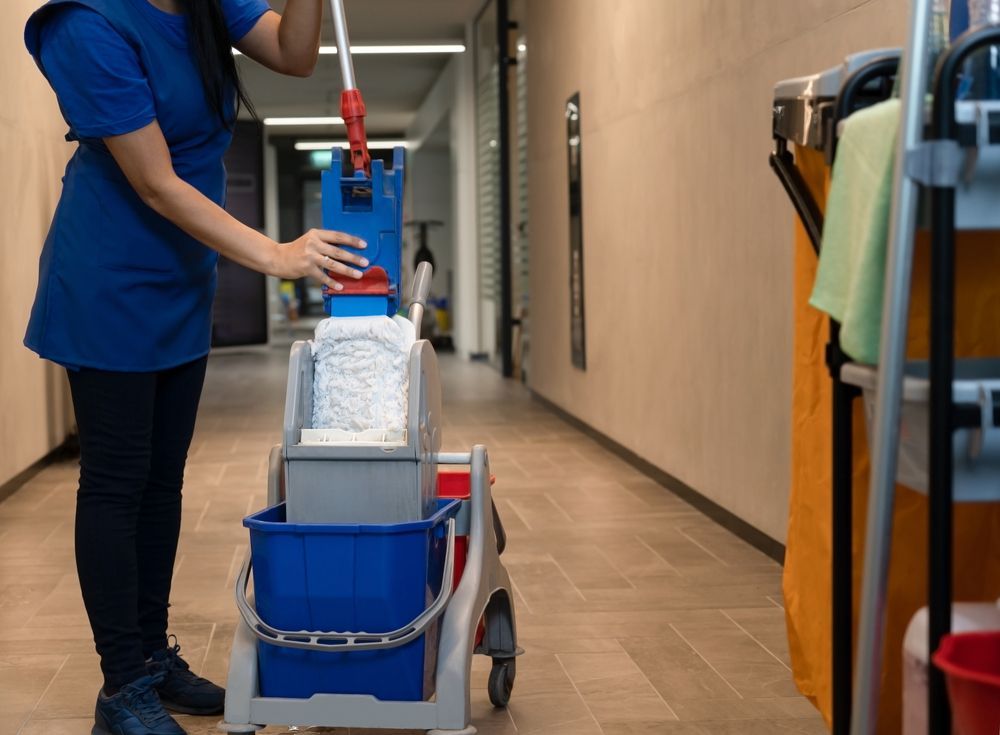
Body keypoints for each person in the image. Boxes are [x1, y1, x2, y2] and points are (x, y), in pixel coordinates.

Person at [22, 1, 367, 733]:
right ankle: (122, 685)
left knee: (162, 477)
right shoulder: (86, 24)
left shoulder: (205, 2)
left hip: (180, 282)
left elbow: (296, 52)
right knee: (117, 481)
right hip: (109, 281)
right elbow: (153, 181)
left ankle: (151, 655)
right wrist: (275, 255)